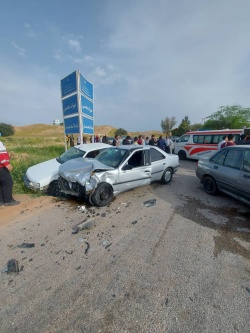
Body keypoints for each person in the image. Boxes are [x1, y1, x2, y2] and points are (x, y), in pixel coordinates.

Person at [0, 141, 20, 206]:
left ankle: (1, 201)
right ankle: (8, 200)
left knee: (1, 183)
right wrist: (6, 164)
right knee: (8, 182)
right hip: (1, 167)